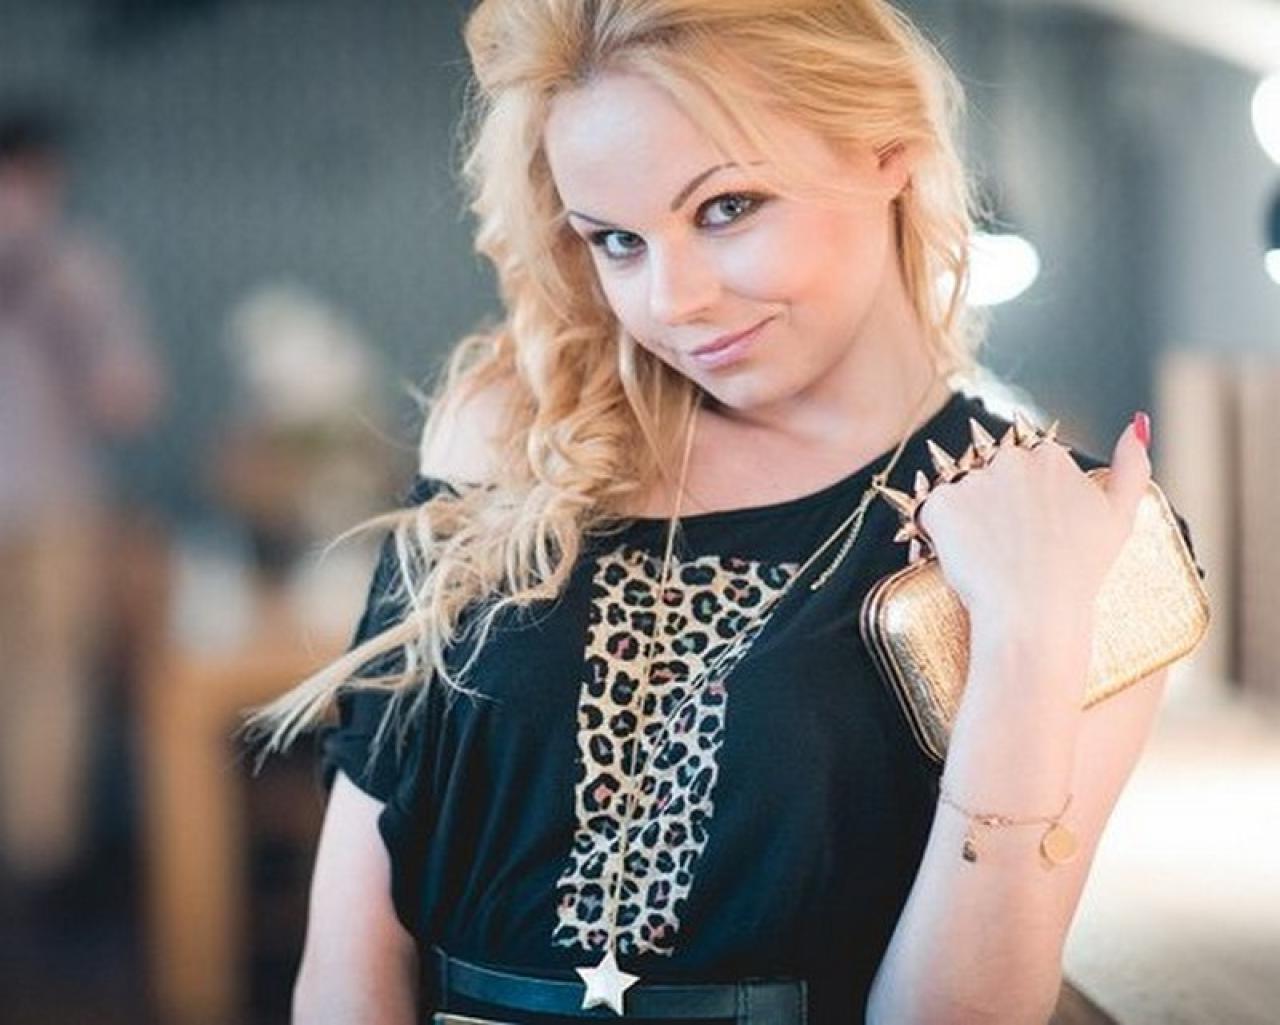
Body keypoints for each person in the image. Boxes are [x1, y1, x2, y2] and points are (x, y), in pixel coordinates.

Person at [246, 2, 1206, 1022]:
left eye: (725, 208)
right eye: (617, 240)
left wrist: (1023, 635)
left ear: (888, 153)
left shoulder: (1075, 537)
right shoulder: (513, 433)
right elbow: (349, 954)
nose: (673, 300)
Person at [0, 106, 164, 898]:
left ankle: (43, 862)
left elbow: (127, 399)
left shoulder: (77, 270)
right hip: (54, 506)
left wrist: (60, 311)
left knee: (54, 684)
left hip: (58, 509)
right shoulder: (78, 264)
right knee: (46, 685)